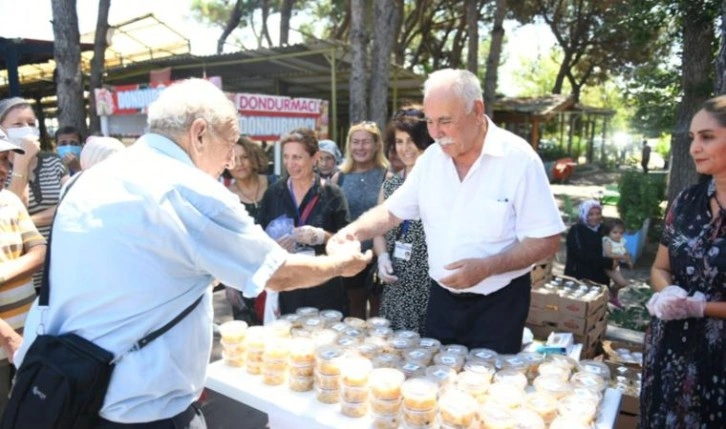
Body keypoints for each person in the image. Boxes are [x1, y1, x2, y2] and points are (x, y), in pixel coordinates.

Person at [13, 79, 370, 428]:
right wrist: (340, 264)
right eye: (229, 143)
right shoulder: (191, 190)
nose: (231, 158)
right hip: (141, 406)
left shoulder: (90, 178)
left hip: (64, 386)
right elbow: (277, 272)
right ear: (199, 133)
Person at [327, 69, 563, 353]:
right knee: (438, 382)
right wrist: (351, 232)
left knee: (486, 388)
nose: (436, 133)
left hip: (498, 304)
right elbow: (391, 212)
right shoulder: (432, 162)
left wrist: (488, 267)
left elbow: (547, 239)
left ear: (477, 110)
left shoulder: (519, 160)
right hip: (440, 299)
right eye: (429, 122)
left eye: (445, 121)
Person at [640, 95, 726, 429]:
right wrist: (669, 293)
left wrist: (701, 308)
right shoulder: (687, 201)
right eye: (692, 138)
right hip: (671, 352)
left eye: (707, 137)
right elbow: (660, 267)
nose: (694, 148)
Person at [257, 128, 350, 316]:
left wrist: (322, 237)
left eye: (297, 157)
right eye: (286, 157)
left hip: (324, 286)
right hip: (287, 285)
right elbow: (257, 236)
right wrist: (272, 246)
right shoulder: (274, 193)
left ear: (314, 157)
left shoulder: (332, 194)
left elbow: (347, 241)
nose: (291, 164)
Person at [373, 107, 433, 334]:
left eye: (411, 140)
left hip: (430, 283)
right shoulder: (390, 185)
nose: (405, 148)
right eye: (399, 141)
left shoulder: (441, 184)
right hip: (396, 281)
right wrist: (382, 257)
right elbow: (378, 227)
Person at [0, 97, 69, 292]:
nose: (27, 129)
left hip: (59, 270)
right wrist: (22, 162)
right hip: (21, 276)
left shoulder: (53, 162)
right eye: (18, 124)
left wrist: (26, 222)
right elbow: (9, 210)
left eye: (31, 124)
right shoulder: (4, 168)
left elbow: (68, 205)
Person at [0, 128, 46, 418]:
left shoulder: (10, 201)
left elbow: (40, 251)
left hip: (27, 338)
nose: (3, 169)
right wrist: (8, 338)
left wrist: (3, 273)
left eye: (5, 160)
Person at [332, 121, 390, 319]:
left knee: (379, 315)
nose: (360, 147)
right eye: (355, 142)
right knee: (353, 313)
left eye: (366, 142)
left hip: (381, 257)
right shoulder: (339, 178)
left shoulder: (387, 176)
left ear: (376, 145)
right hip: (350, 257)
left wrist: (380, 254)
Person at [223, 137, 274, 325]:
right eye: (233, 159)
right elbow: (225, 243)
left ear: (254, 158)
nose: (239, 164)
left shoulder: (276, 185)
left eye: (244, 157)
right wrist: (229, 284)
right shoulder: (224, 197)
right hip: (244, 276)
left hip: (280, 271)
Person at [564, 200, 623, 306]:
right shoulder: (576, 230)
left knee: (597, 310)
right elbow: (581, 255)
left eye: (598, 213)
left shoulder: (603, 229)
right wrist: (608, 263)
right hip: (580, 277)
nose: (595, 217)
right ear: (584, 214)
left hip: (601, 277)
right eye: (591, 214)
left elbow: (613, 245)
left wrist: (618, 259)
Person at [602, 218, 632, 289]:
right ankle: (610, 292)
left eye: (621, 233)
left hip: (617, 265)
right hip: (608, 266)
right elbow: (609, 254)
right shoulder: (608, 241)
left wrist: (629, 261)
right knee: (622, 283)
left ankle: (614, 297)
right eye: (615, 232)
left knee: (617, 282)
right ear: (608, 232)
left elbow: (626, 252)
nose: (618, 235)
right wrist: (621, 257)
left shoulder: (622, 241)